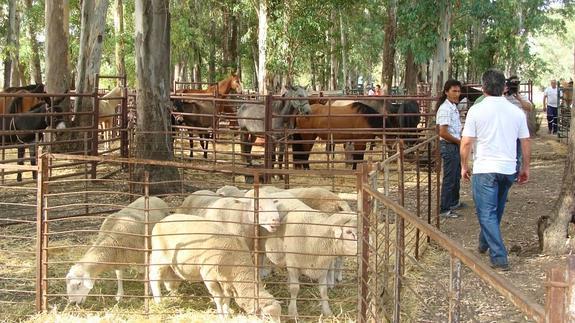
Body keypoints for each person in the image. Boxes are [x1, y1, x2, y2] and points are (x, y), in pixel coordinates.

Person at [460, 69, 530, 271]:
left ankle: (499, 256)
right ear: (504, 87)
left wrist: (464, 165)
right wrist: (525, 167)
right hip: (508, 168)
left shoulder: (476, 110)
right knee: (496, 209)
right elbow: (525, 142)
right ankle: (484, 242)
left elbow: (465, 143)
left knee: (486, 212)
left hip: (485, 168)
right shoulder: (516, 112)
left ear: (483, 87)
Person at [436, 79, 464, 218]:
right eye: (454, 91)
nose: (457, 94)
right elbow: (442, 132)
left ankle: (454, 202)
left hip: (454, 145)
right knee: (449, 177)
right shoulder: (445, 109)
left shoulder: (453, 107)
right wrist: (459, 142)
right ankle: (445, 208)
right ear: (446, 92)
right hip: (449, 145)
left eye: (458, 91)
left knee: (455, 175)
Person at [504, 75, 534, 173]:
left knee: (518, 153)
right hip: (506, 130)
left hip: (519, 131)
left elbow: (529, 108)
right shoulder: (503, 98)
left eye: (516, 84)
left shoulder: (522, 97)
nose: (515, 86)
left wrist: (519, 99)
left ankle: (515, 173)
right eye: (513, 84)